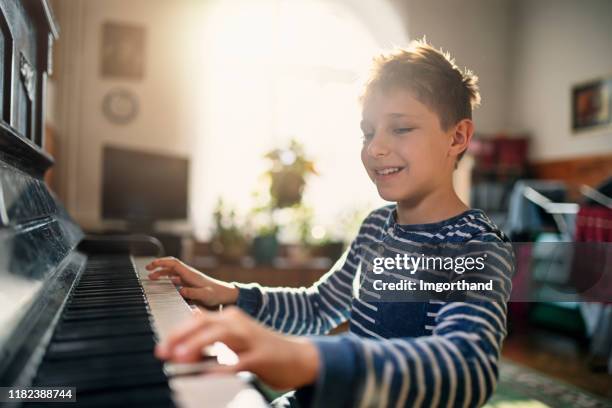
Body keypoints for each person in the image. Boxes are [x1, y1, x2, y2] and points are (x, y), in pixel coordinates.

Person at [147, 39, 515, 407]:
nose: (375, 148)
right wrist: (229, 293)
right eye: (368, 133)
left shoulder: (476, 245)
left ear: (458, 136)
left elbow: (468, 368)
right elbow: (320, 307)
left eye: (400, 129)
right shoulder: (376, 227)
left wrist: (311, 358)